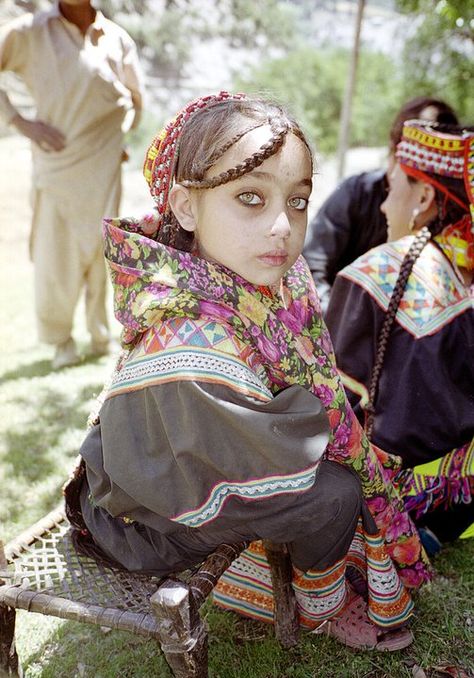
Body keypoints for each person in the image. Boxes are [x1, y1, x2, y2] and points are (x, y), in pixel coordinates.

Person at [65, 92, 429, 652]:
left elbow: (299, 394)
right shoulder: (186, 344)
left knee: (336, 466)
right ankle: (324, 605)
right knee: (333, 492)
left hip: (176, 464)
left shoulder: (260, 284)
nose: (283, 226)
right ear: (186, 208)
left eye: (299, 201)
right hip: (137, 523)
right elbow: (291, 437)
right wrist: (327, 422)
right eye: (251, 198)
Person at [325, 120, 474, 554]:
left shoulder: (372, 275)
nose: (385, 206)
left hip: (381, 502)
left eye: (393, 190)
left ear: (423, 197)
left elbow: (332, 410)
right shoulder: (464, 280)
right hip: (456, 501)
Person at [0, 0, 143, 368]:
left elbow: (134, 99)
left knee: (102, 253)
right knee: (55, 256)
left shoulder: (117, 38)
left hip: (104, 166)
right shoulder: (29, 32)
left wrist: (119, 138)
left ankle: (102, 335)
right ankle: (61, 340)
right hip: (58, 166)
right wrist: (20, 122)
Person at [303, 97, 459, 312]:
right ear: (393, 152)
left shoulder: (458, 224)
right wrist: (339, 324)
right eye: (403, 156)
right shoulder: (357, 193)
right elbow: (311, 267)